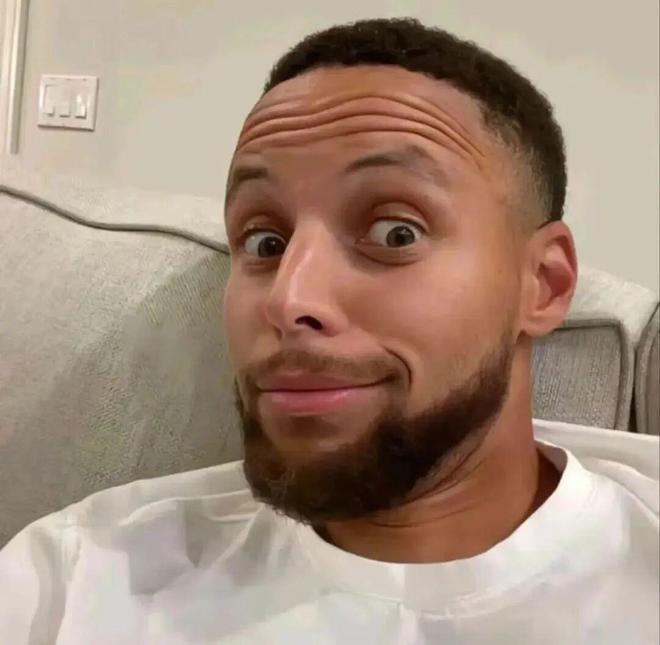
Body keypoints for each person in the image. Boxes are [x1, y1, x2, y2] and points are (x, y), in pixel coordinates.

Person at [1, 17, 658, 645]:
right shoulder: (76, 580)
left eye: (395, 233)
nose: (289, 299)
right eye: (264, 241)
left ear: (543, 283)